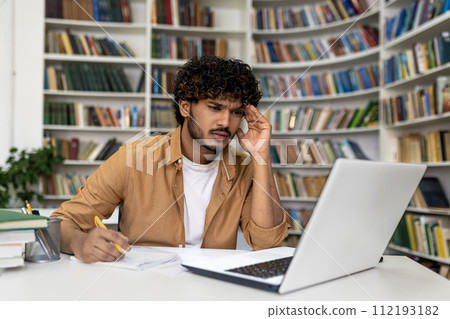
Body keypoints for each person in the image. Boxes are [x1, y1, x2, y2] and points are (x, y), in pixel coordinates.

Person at [51, 56, 289, 263]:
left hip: (211, 291)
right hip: (146, 288)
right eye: (215, 108)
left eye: (236, 112)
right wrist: (79, 243)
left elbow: (266, 244)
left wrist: (261, 157)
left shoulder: (245, 169)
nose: (226, 122)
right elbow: (62, 221)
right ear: (185, 107)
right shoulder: (134, 158)